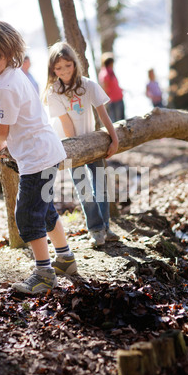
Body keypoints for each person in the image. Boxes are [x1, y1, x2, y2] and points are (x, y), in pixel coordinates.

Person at [0, 20, 77, 295]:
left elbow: (3, 128)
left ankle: (44, 274)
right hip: (46, 151)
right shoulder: (14, 74)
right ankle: (65, 259)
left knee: (27, 215)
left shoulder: (3, 87)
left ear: (9, 53)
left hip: (36, 158)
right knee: (44, 209)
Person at [43, 41, 120, 248]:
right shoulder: (54, 92)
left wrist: (114, 138)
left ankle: (105, 227)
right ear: (53, 70)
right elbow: (67, 125)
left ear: (75, 64)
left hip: (93, 142)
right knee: (83, 188)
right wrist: (77, 150)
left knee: (101, 185)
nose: (64, 71)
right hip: (70, 146)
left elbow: (103, 114)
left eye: (68, 66)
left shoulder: (88, 85)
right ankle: (95, 229)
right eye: (58, 68)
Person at [98, 52, 125, 123]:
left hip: (119, 98)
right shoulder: (105, 73)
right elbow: (105, 88)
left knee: (122, 120)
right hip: (113, 101)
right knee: (117, 121)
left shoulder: (111, 72)